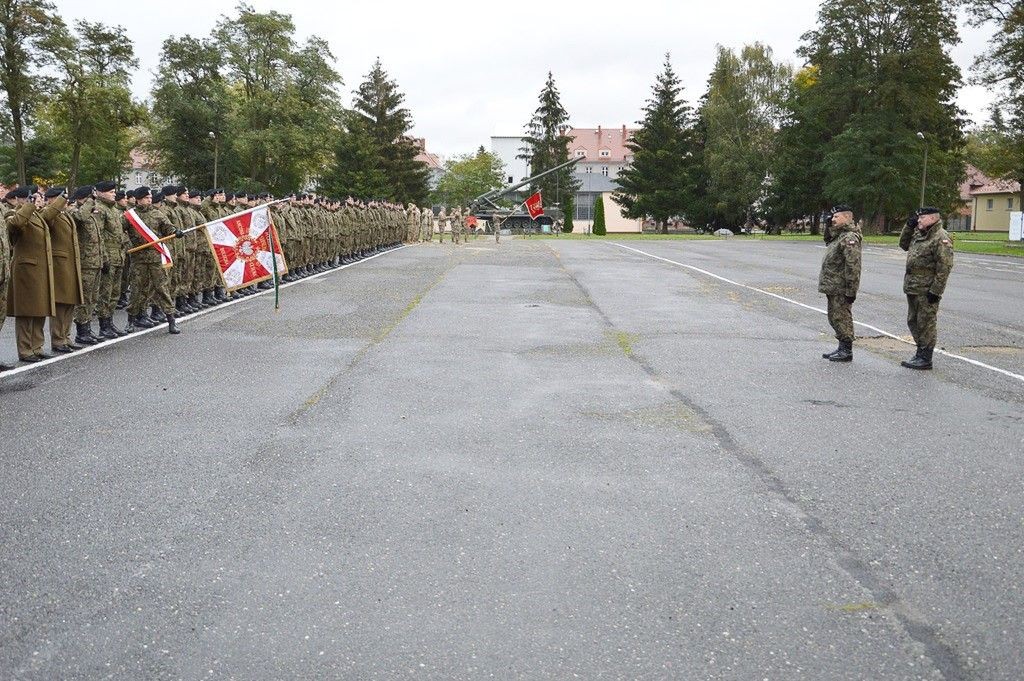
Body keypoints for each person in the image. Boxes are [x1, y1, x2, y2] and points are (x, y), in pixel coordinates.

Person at [6, 187, 62, 362]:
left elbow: (50, 213)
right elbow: (16, 224)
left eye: (39, 198)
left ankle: (37, 346)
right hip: (26, 269)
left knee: (40, 308)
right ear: (21, 199)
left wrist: (62, 199)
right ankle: (25, 349)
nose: (38, 201)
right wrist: (28, 205)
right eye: (33, 198)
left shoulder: (38, 215)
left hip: (40, 269)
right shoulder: (12, 213)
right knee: (26, 312)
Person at [899, 207, 954, 370]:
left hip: (927, 289)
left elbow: (944, 267)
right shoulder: (919, 233)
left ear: (932, 219)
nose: (919, 221)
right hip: (913, 286)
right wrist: (908, 227)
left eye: (921, 218)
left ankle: (925, 357)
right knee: (913, 321)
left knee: (926, 322)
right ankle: (920, 352)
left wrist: (936, 291)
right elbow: (903, 244)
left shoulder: (941, 237)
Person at [124, 187, 183, 334]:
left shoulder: (158, 214)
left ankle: (171, 321)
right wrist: (127, 244)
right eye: (146, 198)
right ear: (138, 199)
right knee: (137, 290)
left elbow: (168, 228)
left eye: (150, 197)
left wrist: (176, 231)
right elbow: (120, 232)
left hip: (156, 258)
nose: (149, 200)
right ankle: (131, 320)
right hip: (138, 259)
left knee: (162, 288)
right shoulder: (129, 216)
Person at [817, 204, 862, 362]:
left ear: (847, 218)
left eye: (836, 217)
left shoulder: (849, 237)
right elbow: (827, 239)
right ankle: (841, 346)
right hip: (833, 285)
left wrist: (851, 290)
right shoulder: (839, 235)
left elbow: (853, 266)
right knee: (834, 317)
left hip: (841, 286)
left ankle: (846, 350)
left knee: (842, 317)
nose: (833, 219)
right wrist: (829, 225)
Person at [42, 187, 84, 353]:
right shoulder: (49, 213)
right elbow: (47, 216)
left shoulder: (65, 214)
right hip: (59, 264)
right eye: (61, 198)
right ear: (53, 199)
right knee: (61, 303)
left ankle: (66, 337)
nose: (66, 201)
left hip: (70, 263)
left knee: (69, 302)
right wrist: (59, 201)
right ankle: (58, 340)